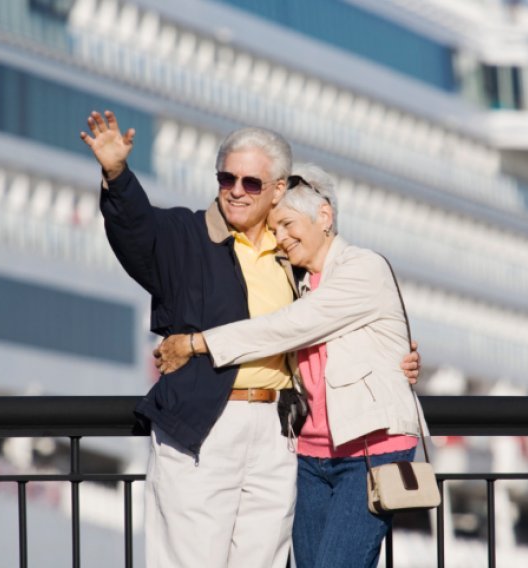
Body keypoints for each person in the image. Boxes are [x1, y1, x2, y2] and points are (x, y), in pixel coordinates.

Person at [80, 111, 420, 568]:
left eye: (252, 183)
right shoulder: (187, 235)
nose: (237, 190)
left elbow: (313, 326)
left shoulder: (296, 260)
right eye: (227, 178)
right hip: (206, 425)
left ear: (278, 190)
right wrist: (117, 175)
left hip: (279, 436)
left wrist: (398, 358)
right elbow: (137, 232)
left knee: (263, 559)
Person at [155, 163, 426, 568]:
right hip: (309, 457)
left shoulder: (362, 268)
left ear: (325, 216)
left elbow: (285, 329)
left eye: (286, 224)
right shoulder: (297, 284)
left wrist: (198, 343)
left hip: (369, 453)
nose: (280, 238)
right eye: (274, 229)